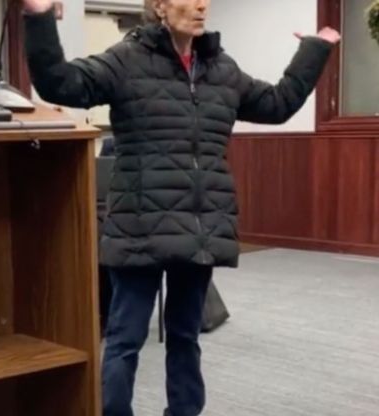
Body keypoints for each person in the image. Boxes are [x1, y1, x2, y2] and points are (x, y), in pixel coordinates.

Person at [20, 0, 340, 415]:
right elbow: (59, 84)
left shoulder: (222, 69)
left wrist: (314, 50)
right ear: (160, 7)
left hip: (199, 227)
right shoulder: (126, 59)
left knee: (186, 337)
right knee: (125, 339)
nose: (202, 5)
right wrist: (39, 18)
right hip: (139, 226)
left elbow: (279, 105)